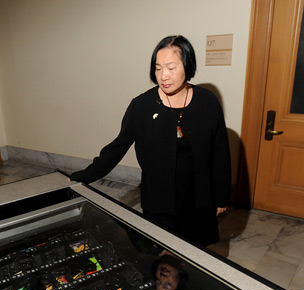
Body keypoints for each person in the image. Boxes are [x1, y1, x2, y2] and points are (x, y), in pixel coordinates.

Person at [70, 35, 231, 246]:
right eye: (158, 68)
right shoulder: (142, 106)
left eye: (171, 68)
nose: (163, 76)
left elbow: (220, 152)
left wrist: (221, 196)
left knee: (195, 261)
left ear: (187, 66)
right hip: (160, 202)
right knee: (161, 260)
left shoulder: (207, 102)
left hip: (199, 201)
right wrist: (79, 178)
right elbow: (116, 149)